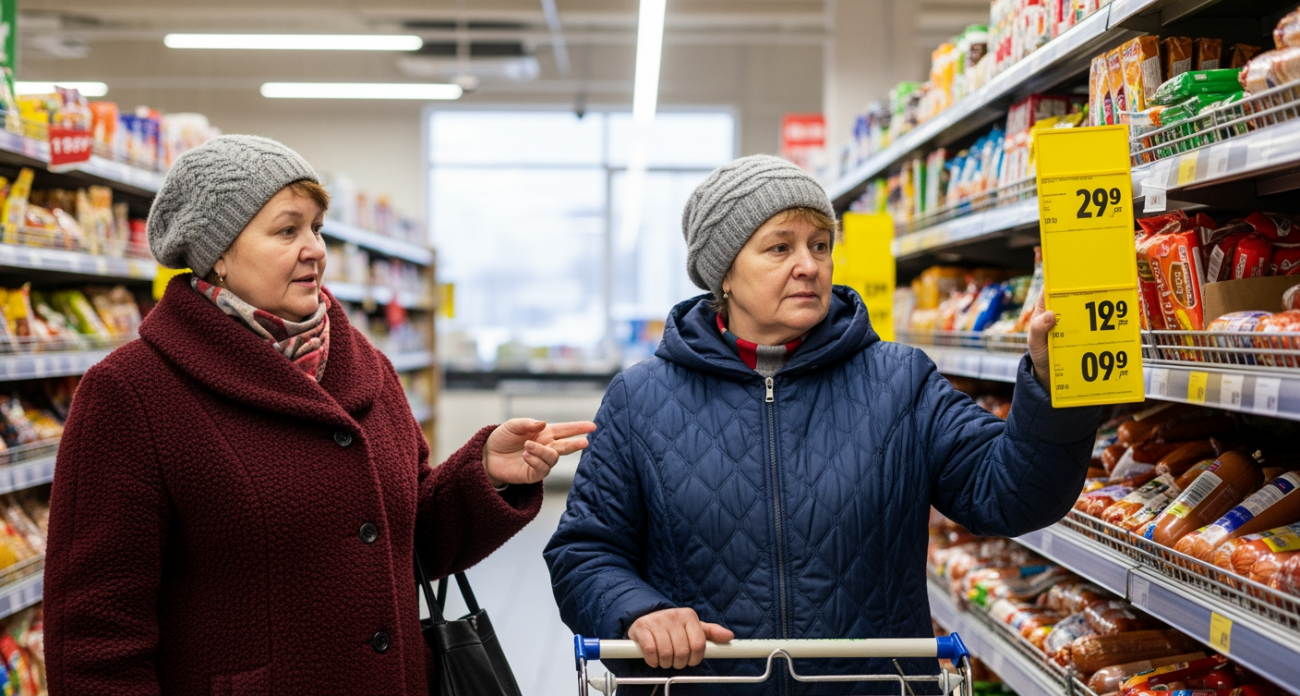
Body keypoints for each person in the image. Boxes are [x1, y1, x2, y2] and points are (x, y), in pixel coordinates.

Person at [43, 135, 595, 695]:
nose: (314, 249)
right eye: (287, 230)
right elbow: (95, 637)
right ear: (219, 257)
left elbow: (407, 542)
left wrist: (483, 474)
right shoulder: (131, 393)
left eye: (317, 227)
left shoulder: (367, 367)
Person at [545, 154, 1100, 694]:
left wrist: (1055, 389)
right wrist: (639, 611)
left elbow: (1014, 496)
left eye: (819, 245)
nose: (808, 265)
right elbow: (583, 552)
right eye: (780, 247)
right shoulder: (641, 398)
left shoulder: (899, 382)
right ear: (725, 275)